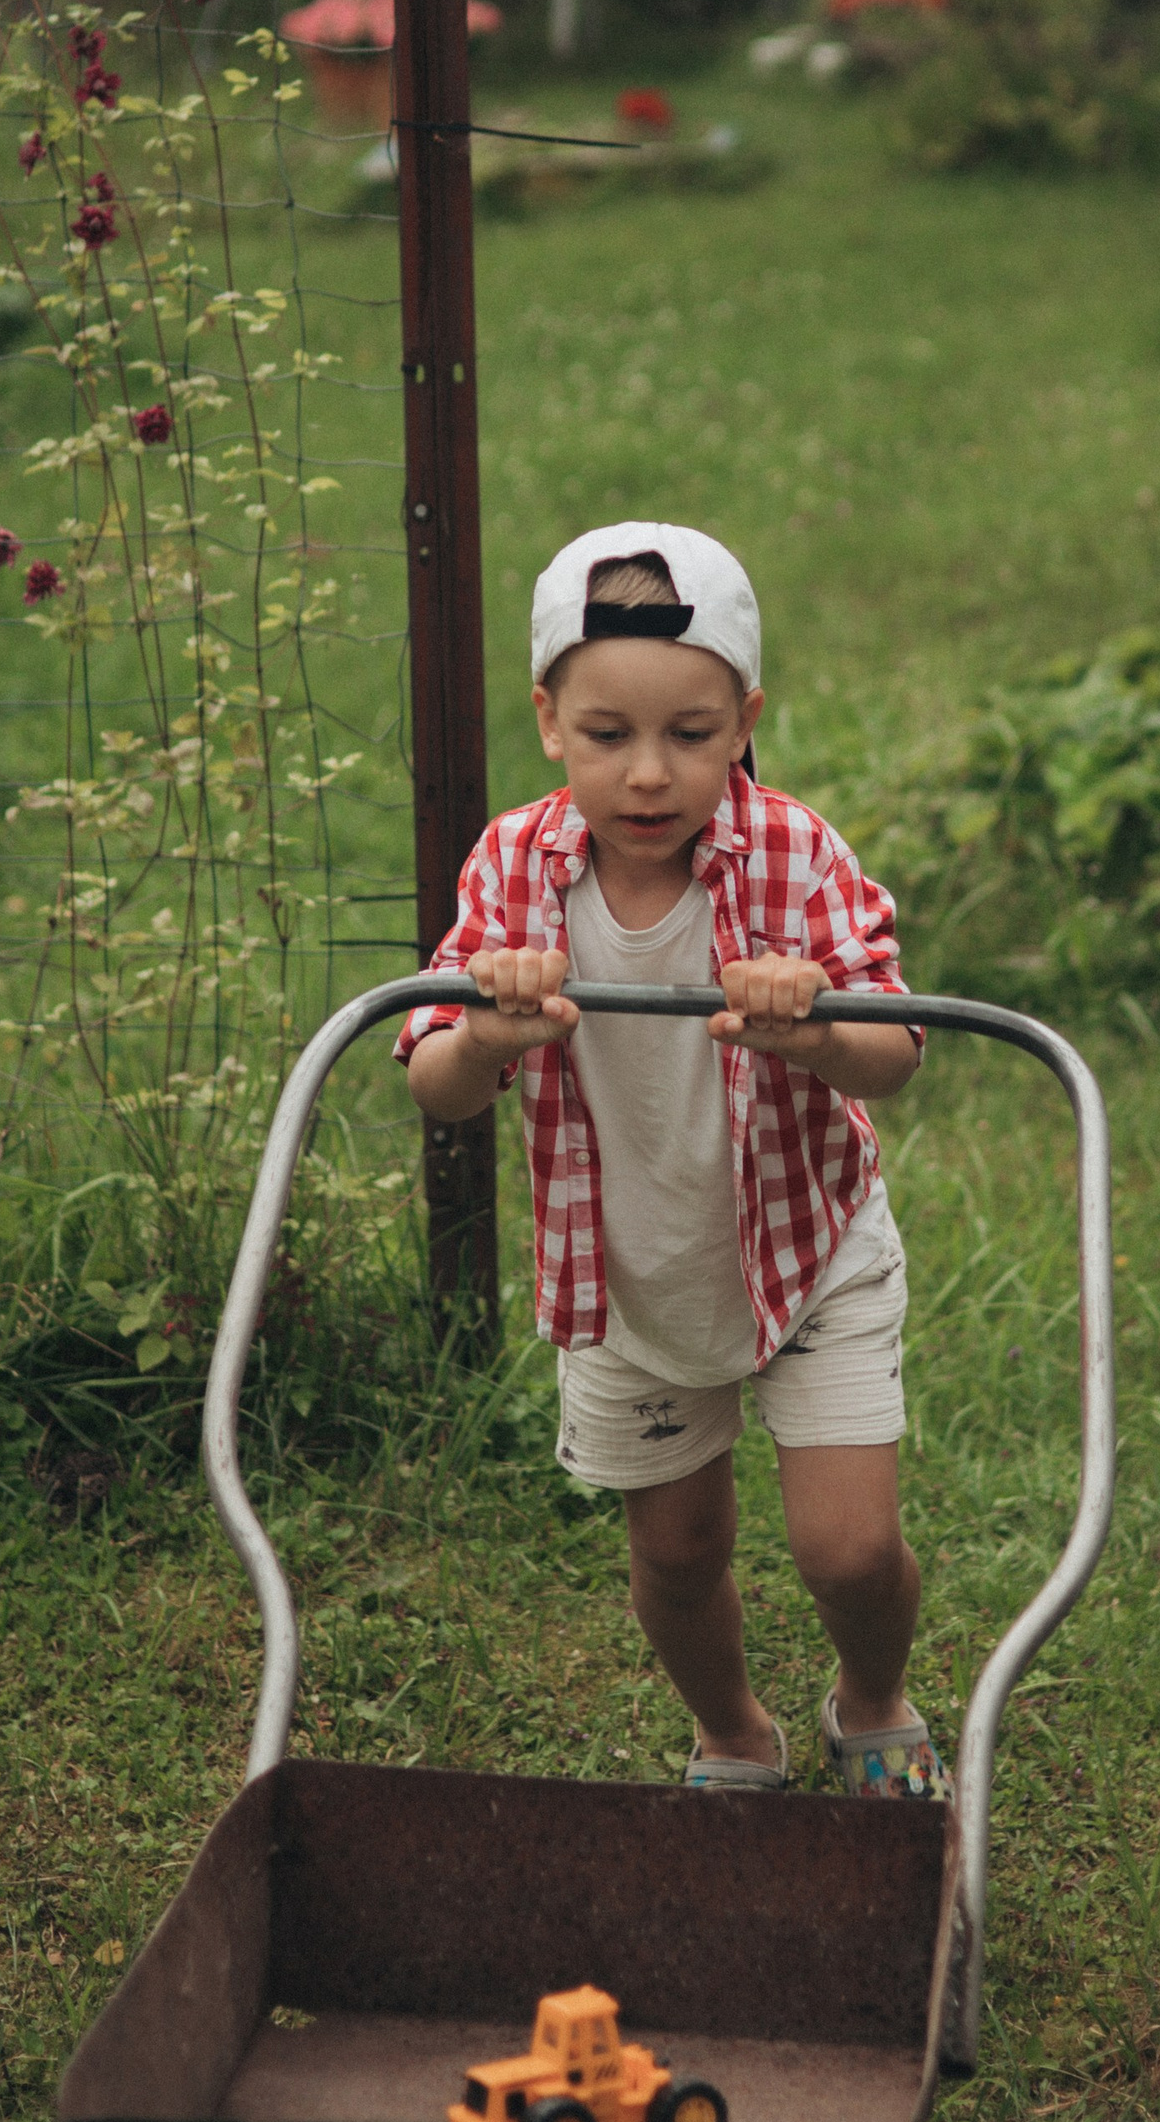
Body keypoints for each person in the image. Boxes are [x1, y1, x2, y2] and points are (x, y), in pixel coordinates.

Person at [399, 521, 943, 1800]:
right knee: (679, 1551)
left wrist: (816, 1026)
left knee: (850, 1549)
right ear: (548, 720)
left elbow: (898, 1048)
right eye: (607, 735)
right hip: (627, 1281)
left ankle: (871, 1696)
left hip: (807, 1253)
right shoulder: (513, 869)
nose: (649, 774)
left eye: (691, 736)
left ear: (746, 716)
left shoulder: (793, 854)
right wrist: (485, 1030)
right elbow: (438, 1083)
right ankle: (732, 1731)